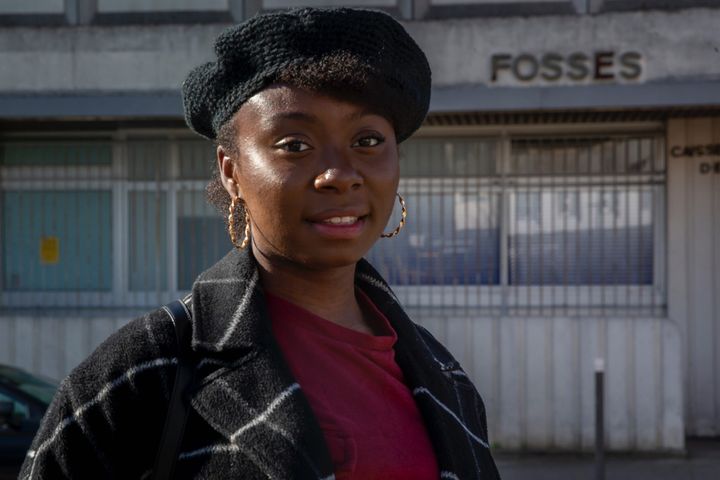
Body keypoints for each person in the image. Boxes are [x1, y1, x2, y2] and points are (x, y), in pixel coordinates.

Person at [20, 7, 501, 480]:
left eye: (368, 140)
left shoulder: (445, 377)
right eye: (294, 145)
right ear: (232, 172)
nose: (339, 174)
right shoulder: (147, 370)